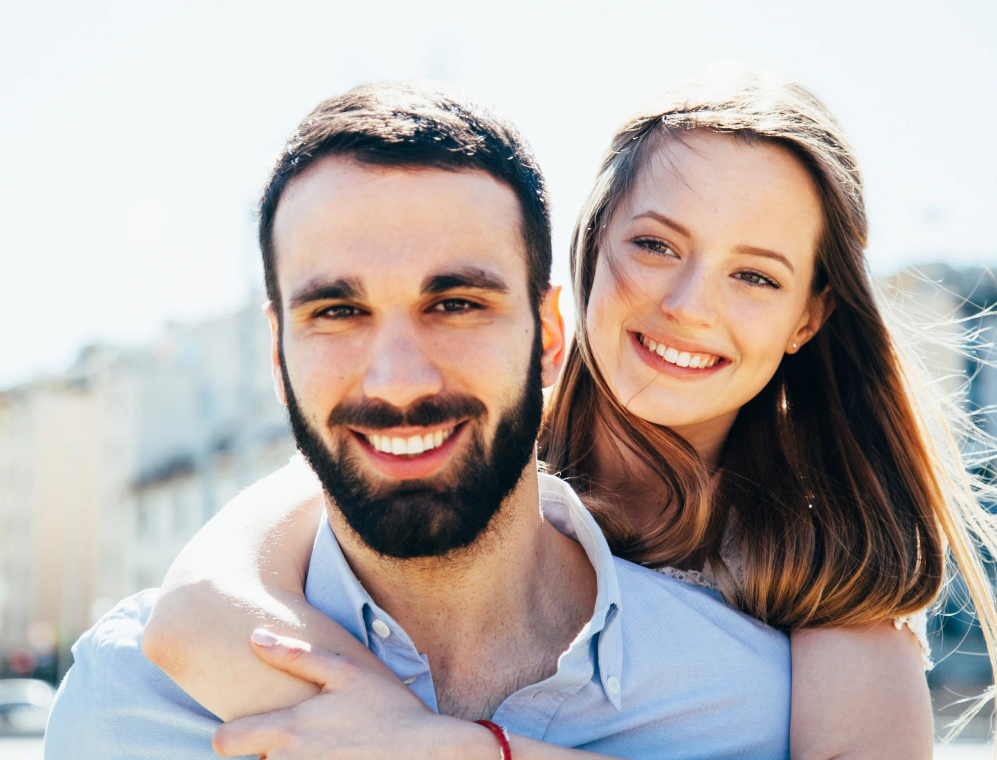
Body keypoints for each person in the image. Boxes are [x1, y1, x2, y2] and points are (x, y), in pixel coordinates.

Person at [143, 68, 997, 759]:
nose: (690, 306)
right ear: (586, 251)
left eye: (757, 276)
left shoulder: (821, 564)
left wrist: (454, 752)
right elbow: (195, 615)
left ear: (808, 318)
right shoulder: (456, 439)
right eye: (656, 245)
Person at [45, 80, 798, 760]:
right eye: (338, 311)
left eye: (456, 304)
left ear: (549, 338)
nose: (398, 380)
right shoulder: (130, 708)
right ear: (277, 358)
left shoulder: (752, 707)